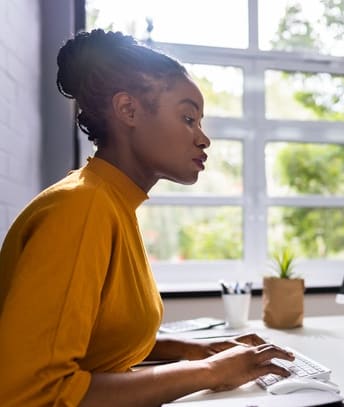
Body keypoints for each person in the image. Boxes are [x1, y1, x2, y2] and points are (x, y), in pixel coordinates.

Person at [0, 29, 293, 406]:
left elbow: (100, 338)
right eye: (188, 117)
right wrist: (211, 373)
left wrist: (197, 351)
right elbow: (30, 392)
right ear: (129, 111)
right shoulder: (82, 208)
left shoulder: (111, 203)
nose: (204, 139)